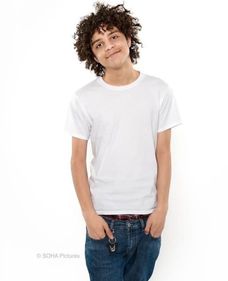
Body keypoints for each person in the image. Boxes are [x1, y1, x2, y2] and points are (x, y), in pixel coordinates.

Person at [64, 2, 182, 281]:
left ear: (129, 37)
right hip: (103, 223)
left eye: (114, 36)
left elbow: (163, 152)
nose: (109, 46)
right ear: (93, 55)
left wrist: (162, 208)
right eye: (98, 44)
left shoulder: (159, 91)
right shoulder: (84, 98)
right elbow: (77, 160)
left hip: (147, 222)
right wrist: (89, 215)